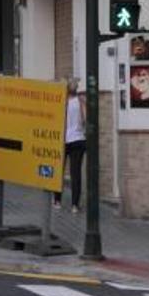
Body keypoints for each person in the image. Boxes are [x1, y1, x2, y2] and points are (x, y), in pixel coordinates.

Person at [53, 78, 86, 213]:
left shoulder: (61, 102)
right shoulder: (81, 101)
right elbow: (85, 119)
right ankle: (74, 205)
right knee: (76, 173)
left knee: (58, 172)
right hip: (78, 140)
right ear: (76, 89)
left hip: (62, 141)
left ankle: (57, 201)